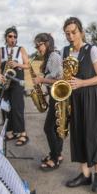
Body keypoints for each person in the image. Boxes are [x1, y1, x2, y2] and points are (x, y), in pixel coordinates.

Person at [62, 17, 97, 193]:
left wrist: (81, 83)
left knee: (92, 136)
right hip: (74, 98)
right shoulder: (65, 51)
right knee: (78, 135)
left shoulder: (92, 49)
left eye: (74, 32)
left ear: (81, 32)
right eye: (67, 33)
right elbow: (65, 77)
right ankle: (85, 175)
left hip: (92, 96)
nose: (71, 36)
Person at [32, 33, 64, 170]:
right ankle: (57, 154)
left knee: (48, 128)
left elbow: (61, 81)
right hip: (53, 95)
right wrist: (44, 91)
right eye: (36, 46)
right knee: (57, 129)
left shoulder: (54, 57)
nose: (37, 48)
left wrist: (41, 80)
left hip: (59, 97)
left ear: (47, 43)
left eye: (39, 45)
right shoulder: (48, 57)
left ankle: (55, 159)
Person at [0, 26, 30, 146]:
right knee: (5, 108)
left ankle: (22, 133)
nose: (13, 39)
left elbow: (28, 65)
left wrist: (17, 64)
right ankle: (9, 131)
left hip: (16, 81)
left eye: (15, 37)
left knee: (17, 107)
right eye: (10, 36)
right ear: (6, 37)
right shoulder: (1, 50)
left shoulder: (21, 49)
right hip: (5, 81)